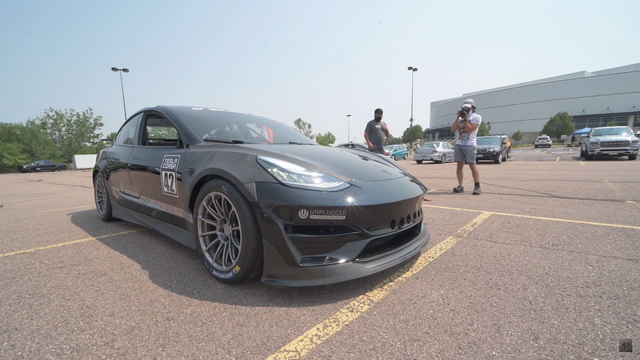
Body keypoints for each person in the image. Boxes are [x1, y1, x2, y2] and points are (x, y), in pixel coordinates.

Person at [451, 99, 482, 195]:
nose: (466, 109)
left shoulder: (476, 117)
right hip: (459, 143)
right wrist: (458, 117)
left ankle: (477, 186)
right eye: (464, 107)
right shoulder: (460, 118)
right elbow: (453, 129)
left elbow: (469, 130)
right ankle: (460, 186)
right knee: (459, 165)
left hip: (470, 144)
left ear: (472, 108)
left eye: (468, 107)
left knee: (472, 165)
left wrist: (465, 119)